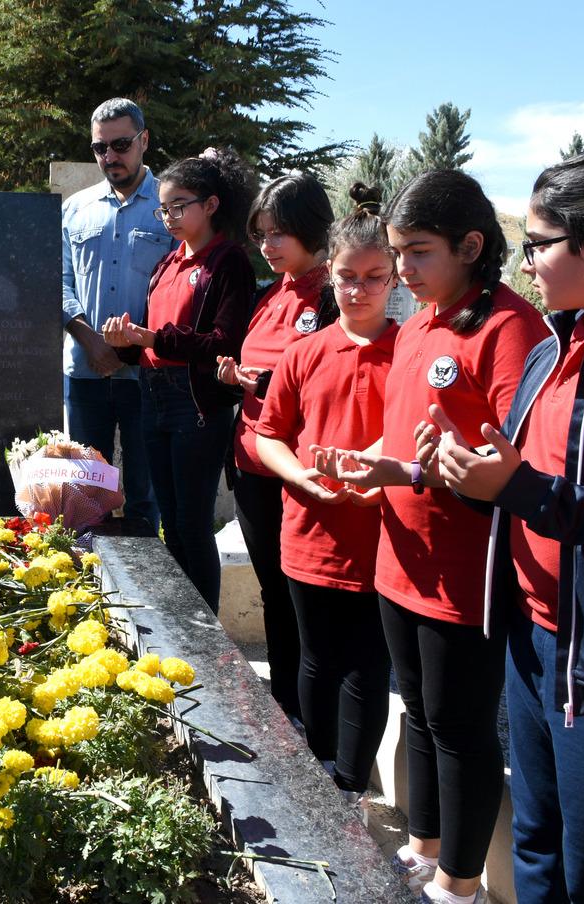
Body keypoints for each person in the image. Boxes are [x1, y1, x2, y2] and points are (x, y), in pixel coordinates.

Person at [313, 170, 548, 904]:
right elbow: (414, 445)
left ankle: (460, 882)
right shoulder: (417, 325)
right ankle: (423, 845)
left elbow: (518, 461)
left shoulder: (513, 329)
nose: (403, 273)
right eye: (397, 254)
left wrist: (418, 468)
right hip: (399, 558)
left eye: (417, 253)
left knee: (460, 726)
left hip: (462, 569)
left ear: (471, 246)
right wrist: (381, 468)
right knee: (417, 709)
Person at [429, 151, 584, 904]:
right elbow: (524, 483)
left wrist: (519, 486)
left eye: (539, 243)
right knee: (536, 847)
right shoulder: (554, 349)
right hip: (532, 642)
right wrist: (468, 475)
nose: (529, 263)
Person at [253, 183, 397, 810]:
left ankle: (350, 785)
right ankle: (318, 777)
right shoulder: (307, 351)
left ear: (395, 279)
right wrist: (298, 476)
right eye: (346, 276)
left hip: (382, 541)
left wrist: (381, 475)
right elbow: (268, 435)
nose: (358, 289)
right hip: (309, 533)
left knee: (367, 669)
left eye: (374, 276)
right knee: (316, 659)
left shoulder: (412, 351)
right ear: (330, 275)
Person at [101, 149, 255, 612]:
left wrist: (154, 338)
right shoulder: (167, 265)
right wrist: (126, 340)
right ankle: (181, 622)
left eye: (179, 206)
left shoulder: (228, 262)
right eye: (163, 208)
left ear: (210, 205)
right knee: (170, 518)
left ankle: (203, 629)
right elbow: (152, 342)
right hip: (154, 396)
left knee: (192, 523)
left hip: (196, 405)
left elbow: (224, 342)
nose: (168, 217)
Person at [216, 171, 336, 721]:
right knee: (271, 591)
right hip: (251, 458)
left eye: (278, 234)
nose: (266, 247)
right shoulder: (270, 293)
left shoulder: (335, 294)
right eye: (260, 234)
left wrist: (266, 382)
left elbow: (332, 379)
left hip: (299, 467)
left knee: (304, 597)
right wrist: (235, 376)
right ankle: (285, 701)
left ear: (311, 230)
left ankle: (314, 711)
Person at [61, 97, 172, 533]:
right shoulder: (75, 208)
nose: (110, 157)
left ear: (144, 141)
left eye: (121, 144)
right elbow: (58, 279)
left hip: (147, 374)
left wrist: (133, 345)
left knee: (146, 495)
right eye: (99, 148)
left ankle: (147, 594)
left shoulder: (169, 209)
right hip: (85, 371)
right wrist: (89, 339)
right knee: (87, 495)